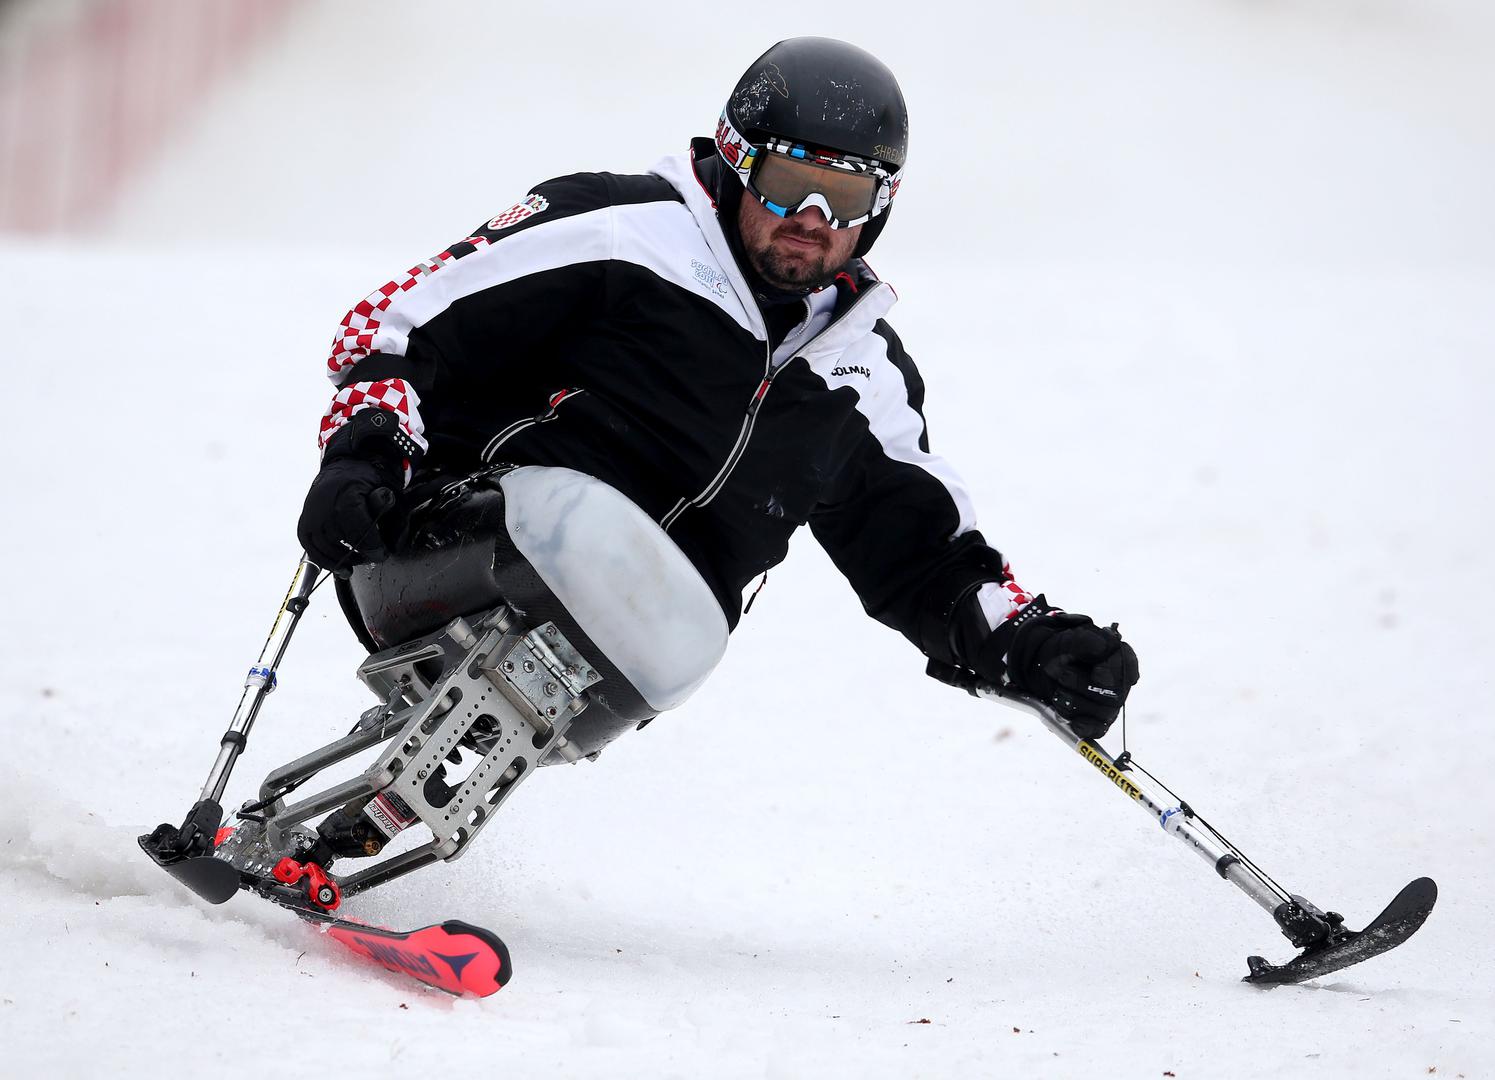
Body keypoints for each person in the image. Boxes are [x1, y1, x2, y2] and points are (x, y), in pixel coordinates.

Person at [296, 36, 1139, 741]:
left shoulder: (857, 371)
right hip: (445, 543)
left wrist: (1030, 645)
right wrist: (364, 457)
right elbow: (397, 322)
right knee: (587, 529)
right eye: (789, 183)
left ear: (878, 207)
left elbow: (922, 554)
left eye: (845, 196)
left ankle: (356, 833)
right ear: (738, 163)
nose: (812, 218)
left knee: (686, 633)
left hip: (618, 650)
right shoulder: (624, 231)